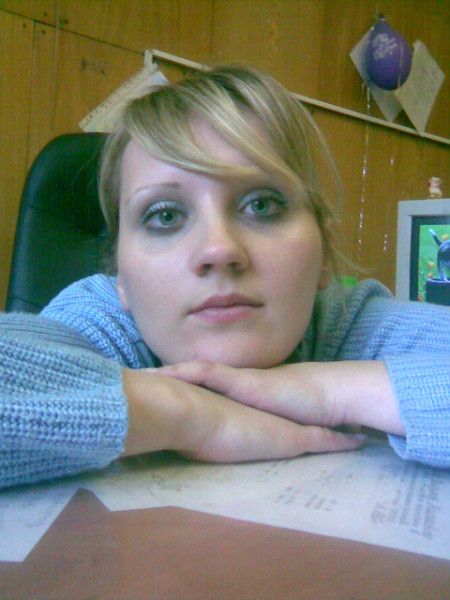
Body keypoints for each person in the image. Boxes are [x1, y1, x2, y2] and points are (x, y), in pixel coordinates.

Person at [1, 65, 449, 490]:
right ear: (119, 277)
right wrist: (186, 414)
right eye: (165, 215)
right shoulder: (105, 323)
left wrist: (327, 390)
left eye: (261, 205)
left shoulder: (347, 323)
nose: (219, 250)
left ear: (325, 254)